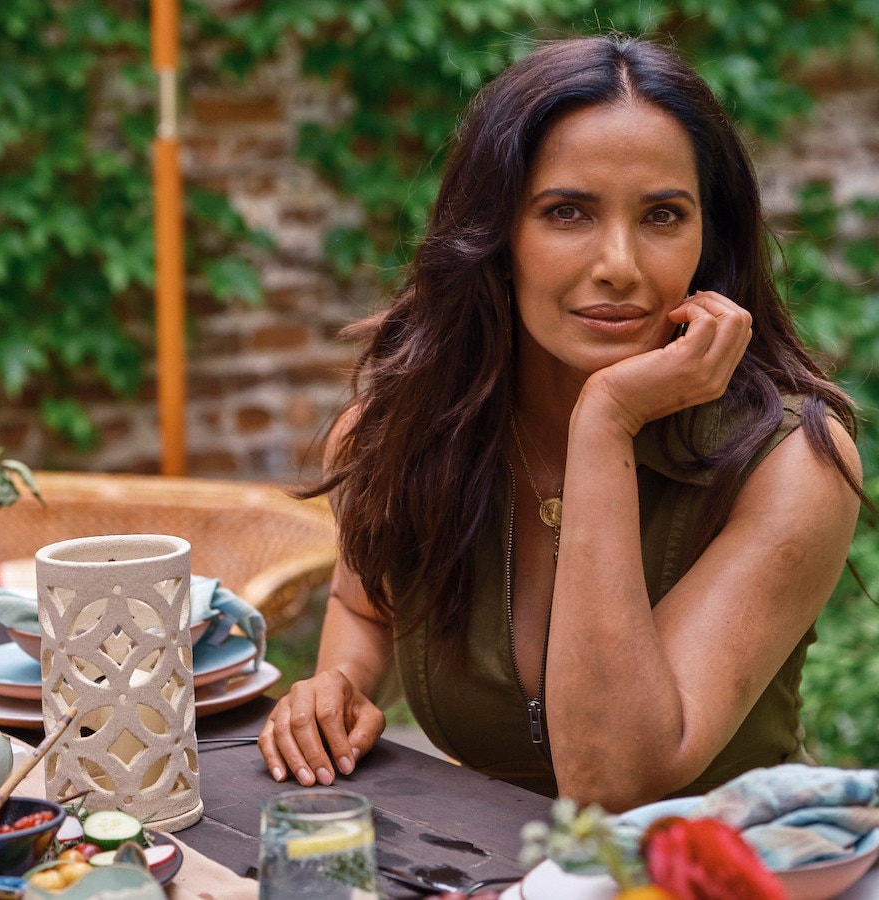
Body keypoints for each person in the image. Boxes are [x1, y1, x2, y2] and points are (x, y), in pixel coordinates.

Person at [257, 33, 866, 813]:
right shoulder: (403, 435)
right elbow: (363, 604)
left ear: (707, 238)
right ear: (497, 235)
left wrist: (605, 423)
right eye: (567, 212)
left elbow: (614, 778)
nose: (619, 263)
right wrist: (337, 684)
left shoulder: (792, 464)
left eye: (663, 215)